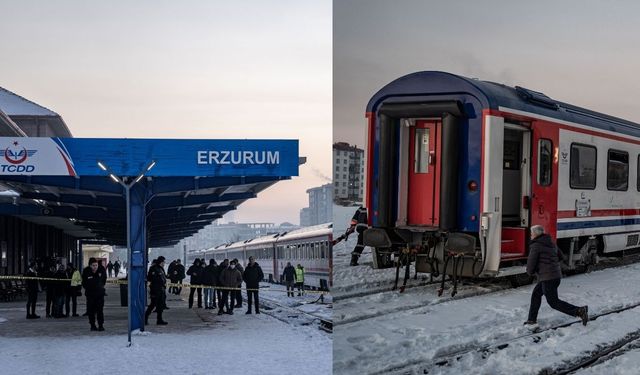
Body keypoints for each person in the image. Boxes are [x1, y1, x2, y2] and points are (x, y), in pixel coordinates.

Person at [524, 225, 589, 326]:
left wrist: (531, 272)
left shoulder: (536, 246)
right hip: (554, 276)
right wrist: (550, 266)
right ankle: (531, 320)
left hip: (548, 278)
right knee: (536, 294)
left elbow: (531, 263)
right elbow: (561, 256)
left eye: (531, 234)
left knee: (553, 302)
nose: (531, 236)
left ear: (536, 234)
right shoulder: (551, 243)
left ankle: (579, 311)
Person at [82, 258, 106, 331]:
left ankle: (101, 325)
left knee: (100, 310)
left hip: (99, 294)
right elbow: (84, 283)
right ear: (90, 265)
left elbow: (104, 280)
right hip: (90, 295)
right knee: (91, 311)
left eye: (96, 265)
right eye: (93, 265)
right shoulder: (86, 271)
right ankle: (92, 325)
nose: (95, 267)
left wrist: (100, 287)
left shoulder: (101, 270)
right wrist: (89, 288)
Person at [145, 256, 168, 325]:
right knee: (153, 304)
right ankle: (145, 318)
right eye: (163, 262)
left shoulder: (161, 269)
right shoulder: (153, 268)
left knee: (160, 306)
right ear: (161, 262)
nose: (164, 263)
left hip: (161, 289)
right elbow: (150, 278)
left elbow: (163, 278)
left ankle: (159, 320)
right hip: (155, 290)